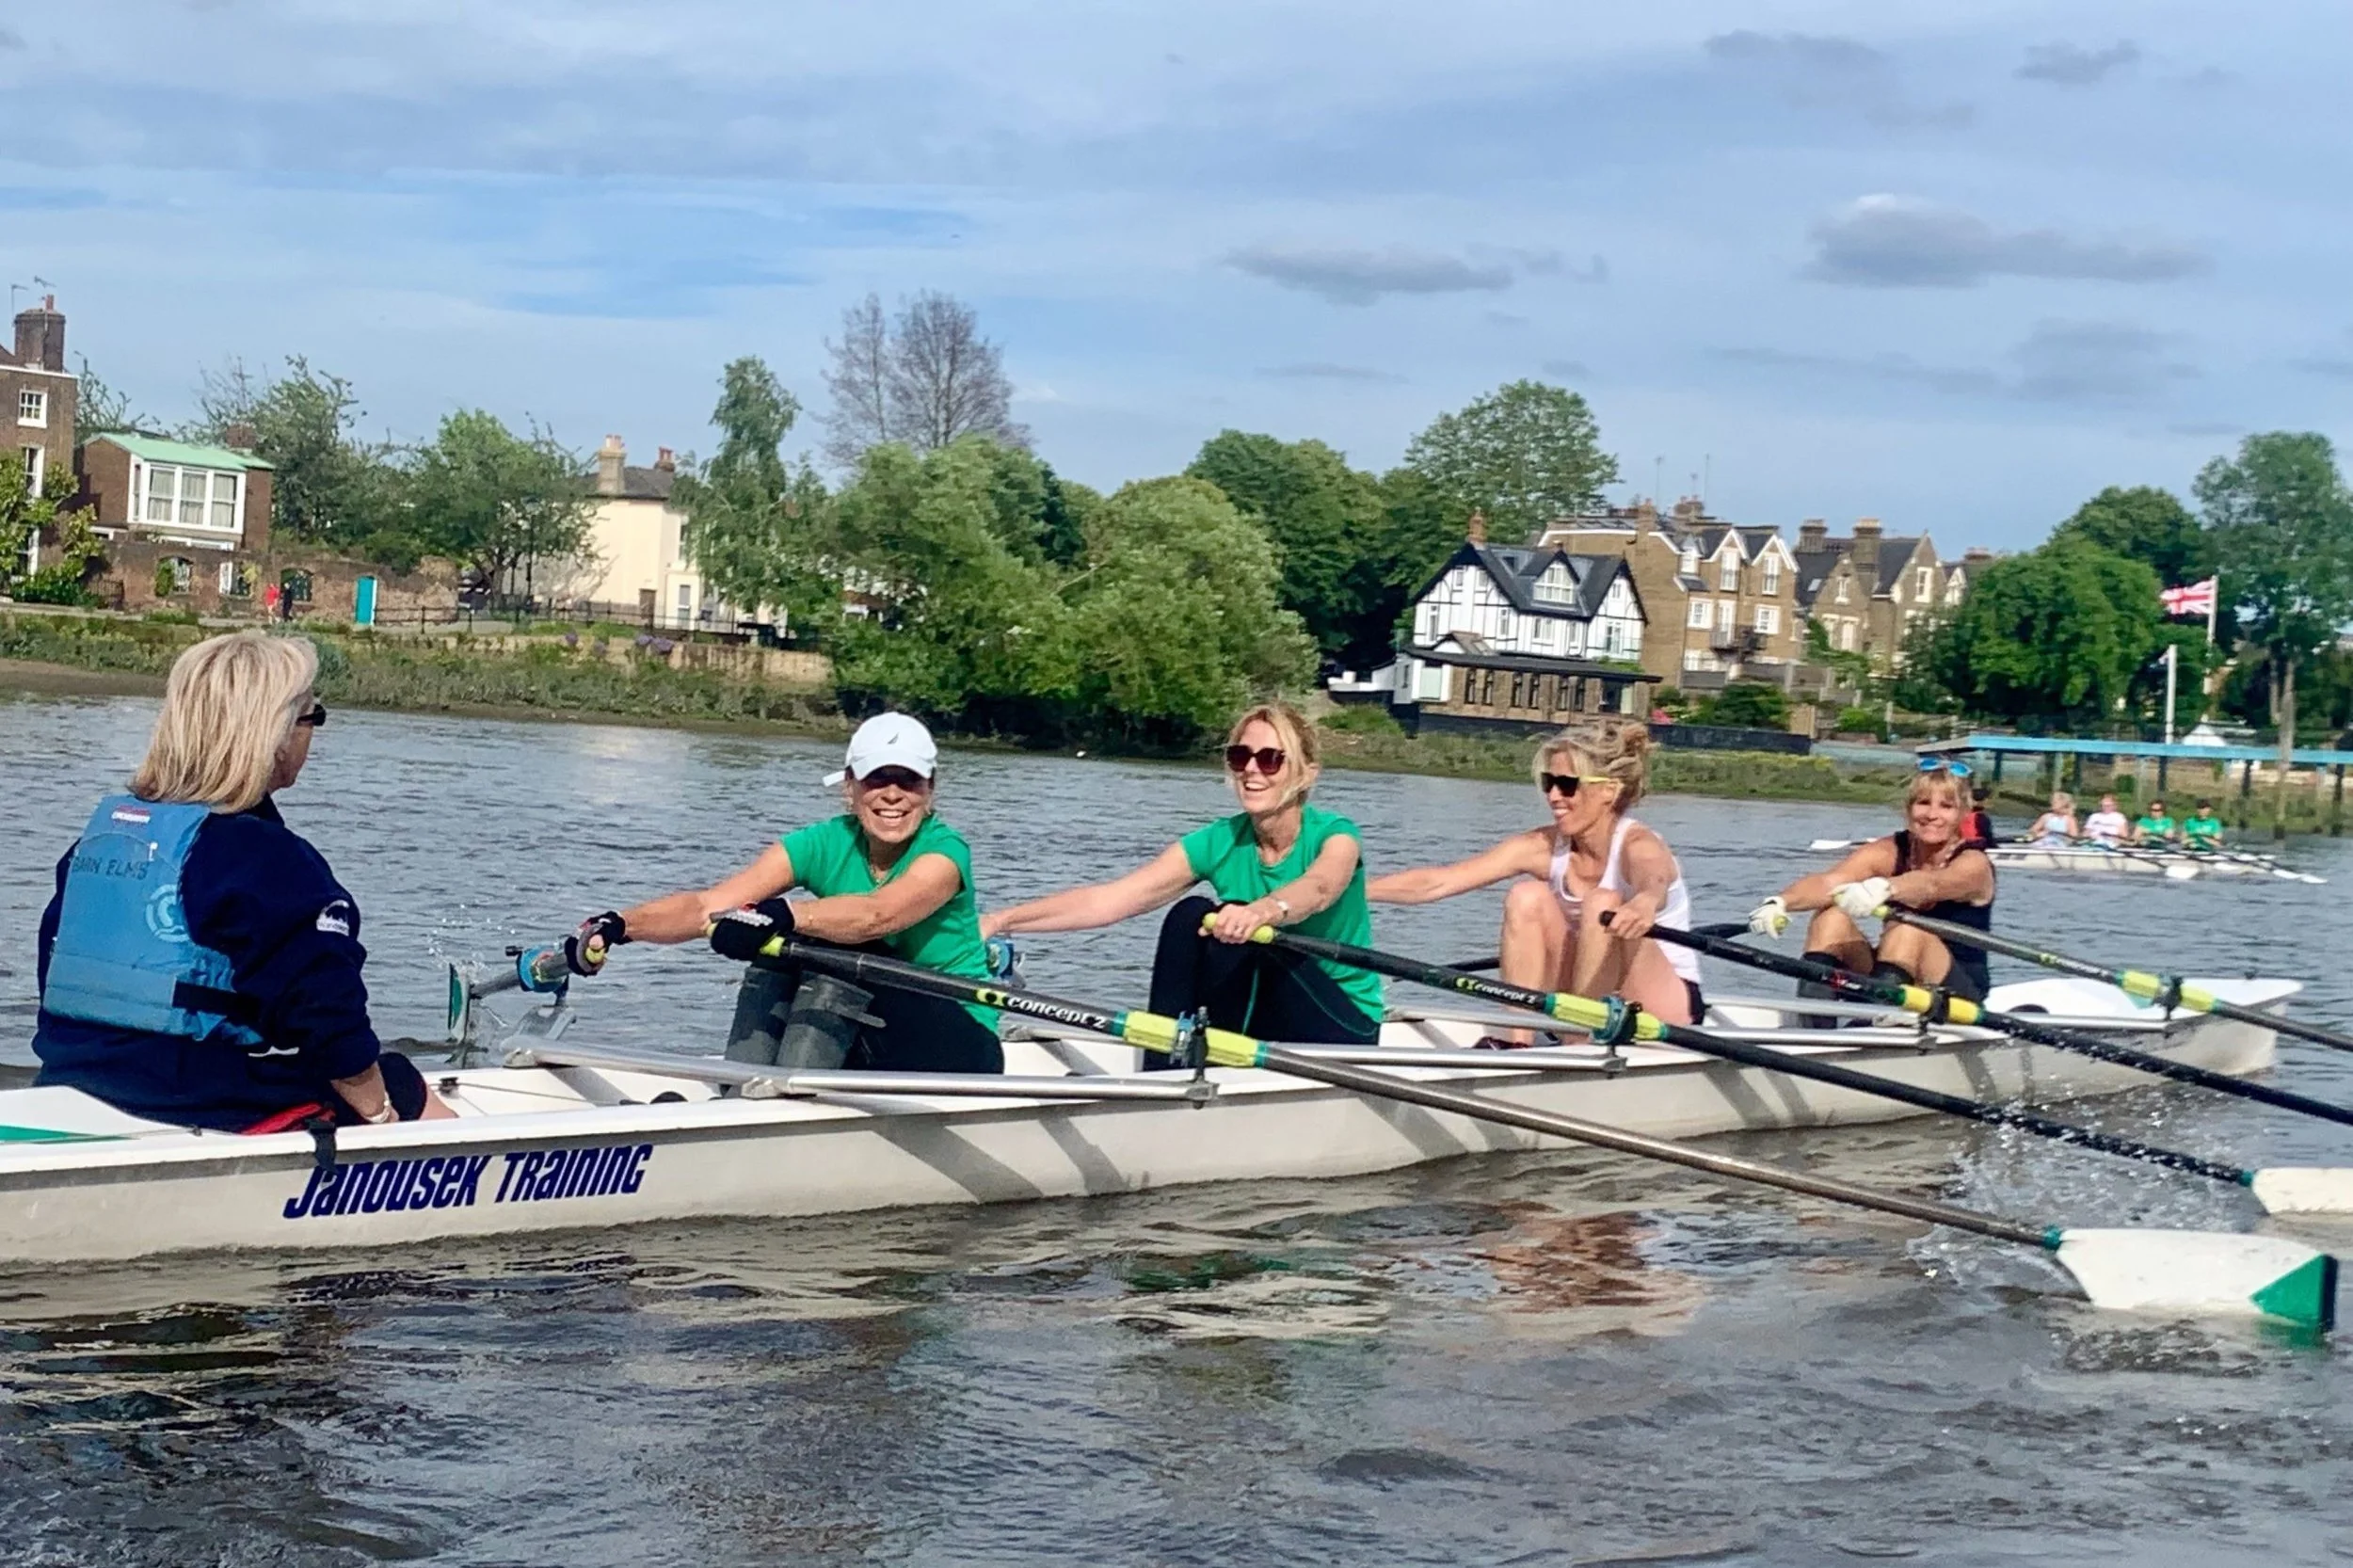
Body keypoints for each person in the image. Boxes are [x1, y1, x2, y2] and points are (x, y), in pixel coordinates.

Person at [32, 631, 452, 1131]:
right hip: (185, 1103)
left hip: (69, 1087)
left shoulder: (98, 845)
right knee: (397, 1078)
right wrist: (381, 1114)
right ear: (273, 735)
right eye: (311, 716)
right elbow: (331, 1024)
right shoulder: (270, 862)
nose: (313, 732)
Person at [569, 712, 1002, 1075]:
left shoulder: (945, 853)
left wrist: (786, 915)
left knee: (817, 944)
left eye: (908, 780)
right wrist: (618, 926)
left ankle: (787, 1099)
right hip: (876, 1029)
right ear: (850, 787)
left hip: (960, 1037)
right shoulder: (821, 842)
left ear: (930, 790)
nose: (892, 794)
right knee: (774, 946)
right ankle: (744, 1091)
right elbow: (707, 906)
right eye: (877, 779)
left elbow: (879, 915)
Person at [980, 702, 1383, 1049]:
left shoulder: (1336, 836)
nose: (1252, 770)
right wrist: (1001, 920)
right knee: (1188, 914)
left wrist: (1263, 911)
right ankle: (1165, 1066)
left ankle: (1209, 1060)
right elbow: (1112, 899)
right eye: (1241, 757)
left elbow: (1320, 888)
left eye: (1271, 759)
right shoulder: (1219, 840)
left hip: (1343, 1021)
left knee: (1240, 926)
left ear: (1307, 774)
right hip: (1265, 1013)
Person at [1368, 724, 1704, 1046]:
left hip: (1664, 1004)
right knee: (1526, 896)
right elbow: (1438, 883)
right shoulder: (1542, 847)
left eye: (1568, 785)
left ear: (1608, 791)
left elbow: (1654, 876)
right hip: (1591, 995)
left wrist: (1645, 902)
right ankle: (1518, 1042)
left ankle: (1577, 1044)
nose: (1554, 796)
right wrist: (1353, 890)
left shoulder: (1638, 843)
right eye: (1548, 782)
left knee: (1602, 903)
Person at [1749, 761, 1997, 1003]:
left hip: (1956, 990)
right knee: (1830, 916)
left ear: (1963, 814)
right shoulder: (1889, 850)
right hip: (1895, 973)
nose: (1932, 815)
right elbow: (1830, 881)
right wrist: (1781, 901)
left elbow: (1932, 885)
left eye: (1946, 806)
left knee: (1908, 930)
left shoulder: (1973, 863)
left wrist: (1886, 888)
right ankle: (1813, 1022)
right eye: (1923, 803)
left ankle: (1868, 1020)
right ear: (1908, 808)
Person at [1961, 784, 1998, 848]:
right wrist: (1997, 848)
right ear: (1983, 801)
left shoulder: (1961, 815)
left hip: (1963, 846)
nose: (1991, 802)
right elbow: (1988, 837)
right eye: (1988, 799)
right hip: (1976, 847)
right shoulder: (1981, 818)